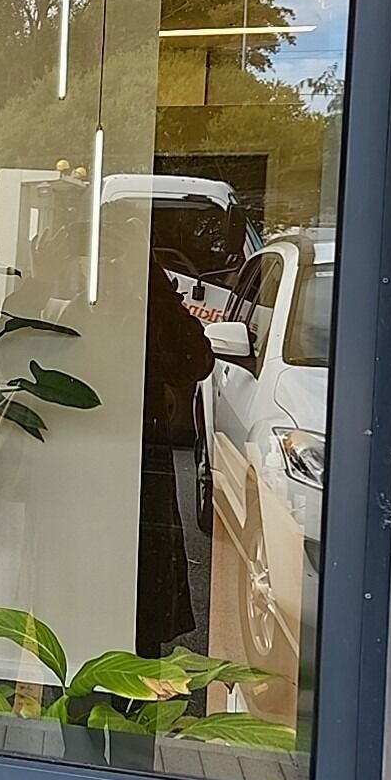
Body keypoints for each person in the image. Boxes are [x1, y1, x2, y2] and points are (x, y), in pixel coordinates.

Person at [135, 255, 214, 657]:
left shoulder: (149, 294)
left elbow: (194, 359)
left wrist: (161, 302)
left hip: (139, 446)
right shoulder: (58, 280)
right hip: (122, 446)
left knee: (145, 570)